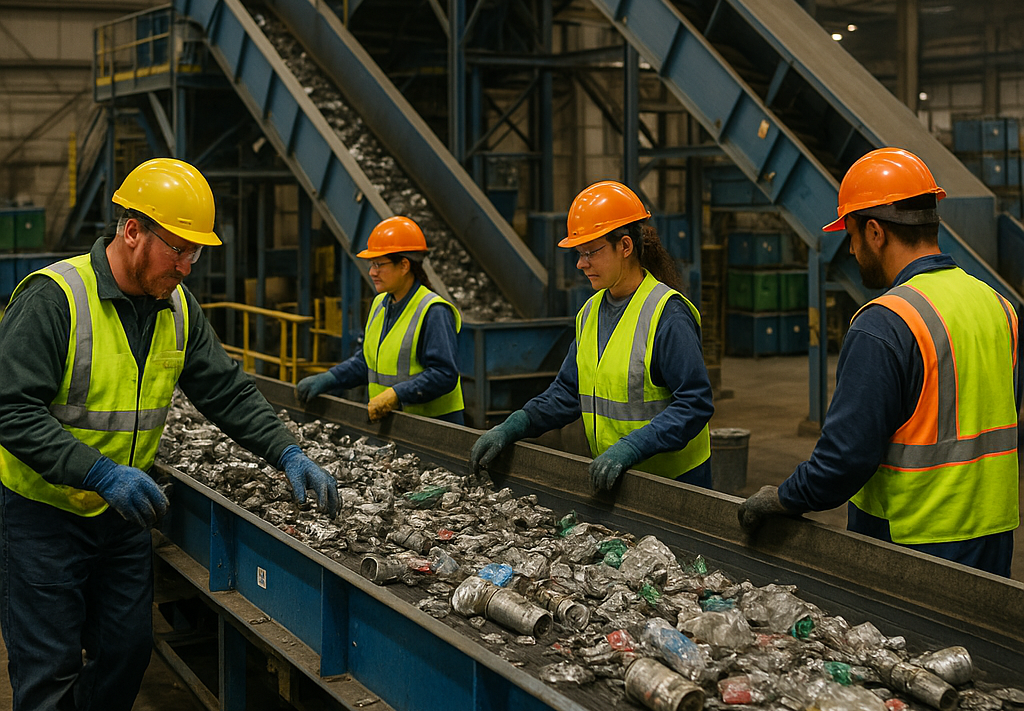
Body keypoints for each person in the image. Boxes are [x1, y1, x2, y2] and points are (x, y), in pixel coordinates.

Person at [0, 157, 339, 711]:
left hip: (122, 518)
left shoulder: (176, 308)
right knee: (47, 675)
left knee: (128, 652)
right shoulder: (57, 298)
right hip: (44, 518)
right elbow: (10, 408)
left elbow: (224, 389)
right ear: (131, 230)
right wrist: (99, 472)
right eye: (176, 249)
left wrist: (287, 450)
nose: (186, 267)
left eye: (194, 254)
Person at [737, 147, 1020, 578]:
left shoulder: (886, 322)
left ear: (874, 232)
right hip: (993, 536)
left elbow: (845, 458)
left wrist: (784, 498)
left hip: (911, 544)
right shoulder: (999, 306)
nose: (850, 250)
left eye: (850, 235)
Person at [469, 181, 714, 492]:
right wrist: (516, 424)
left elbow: (695, 403)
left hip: (674, 485)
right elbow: (568, 392)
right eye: (579, 253)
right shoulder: (590, 312)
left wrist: (633, 447)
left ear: (625, 247)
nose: (581, 264)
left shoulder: (667, 315)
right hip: (617, 478)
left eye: (590, 253)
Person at [295, 216, 465, 424]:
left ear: (404, 265)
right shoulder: (379, 304)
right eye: (371, 264)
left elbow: (444, 374)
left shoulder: (433, 311)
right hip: (392, 425)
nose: (372, 272)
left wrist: (397, 395)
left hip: (434, 430)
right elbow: (366, 362)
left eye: (379, 264)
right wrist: (330, 378)